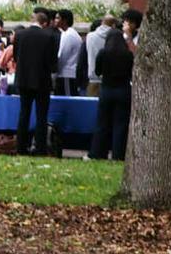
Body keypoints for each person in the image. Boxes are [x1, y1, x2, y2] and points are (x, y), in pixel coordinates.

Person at [10, 7, 60, 156]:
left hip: (23, 79)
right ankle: (40, 148)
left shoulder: (20, 35)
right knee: (41, 115)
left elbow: (16, 56)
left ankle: (20, 147)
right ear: (44, 23)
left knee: (24, 113)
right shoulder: (48, 37)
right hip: (41, 80)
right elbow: (52, 62)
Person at [89, 15, 134, 161]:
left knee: (102, 123)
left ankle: (98, 152)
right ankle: (118, 154)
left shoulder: (103, 52)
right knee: (121, 124)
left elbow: (97, 71)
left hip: (107, 89)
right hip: (123, 90)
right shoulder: (127, 55)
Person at [53, 9, 82, 96]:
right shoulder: (66, 33)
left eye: (58, 18)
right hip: (66, 73)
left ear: (64, 20)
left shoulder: (69, 35)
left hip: (67, 74)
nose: (55, 20)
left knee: (67, 98)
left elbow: (63, 56)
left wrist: (55, 72)